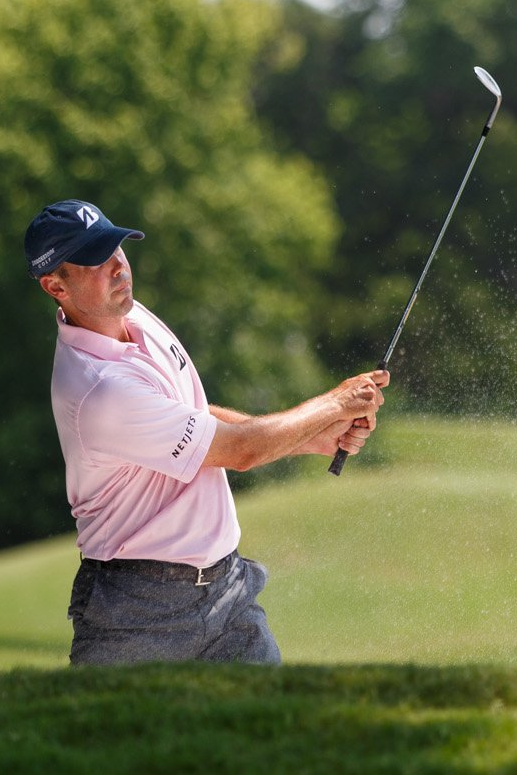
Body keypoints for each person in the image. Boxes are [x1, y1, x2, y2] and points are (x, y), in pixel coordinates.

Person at [25, 199, 387, 666]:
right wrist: (335, 403)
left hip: (228, 592)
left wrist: (312, 436)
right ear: (55, 285)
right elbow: (240, 451)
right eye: (97, 259)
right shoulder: (99, 390)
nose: (119, 266)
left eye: (117, 248)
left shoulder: (134, 319)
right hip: (137, 616)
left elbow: (194, 419)